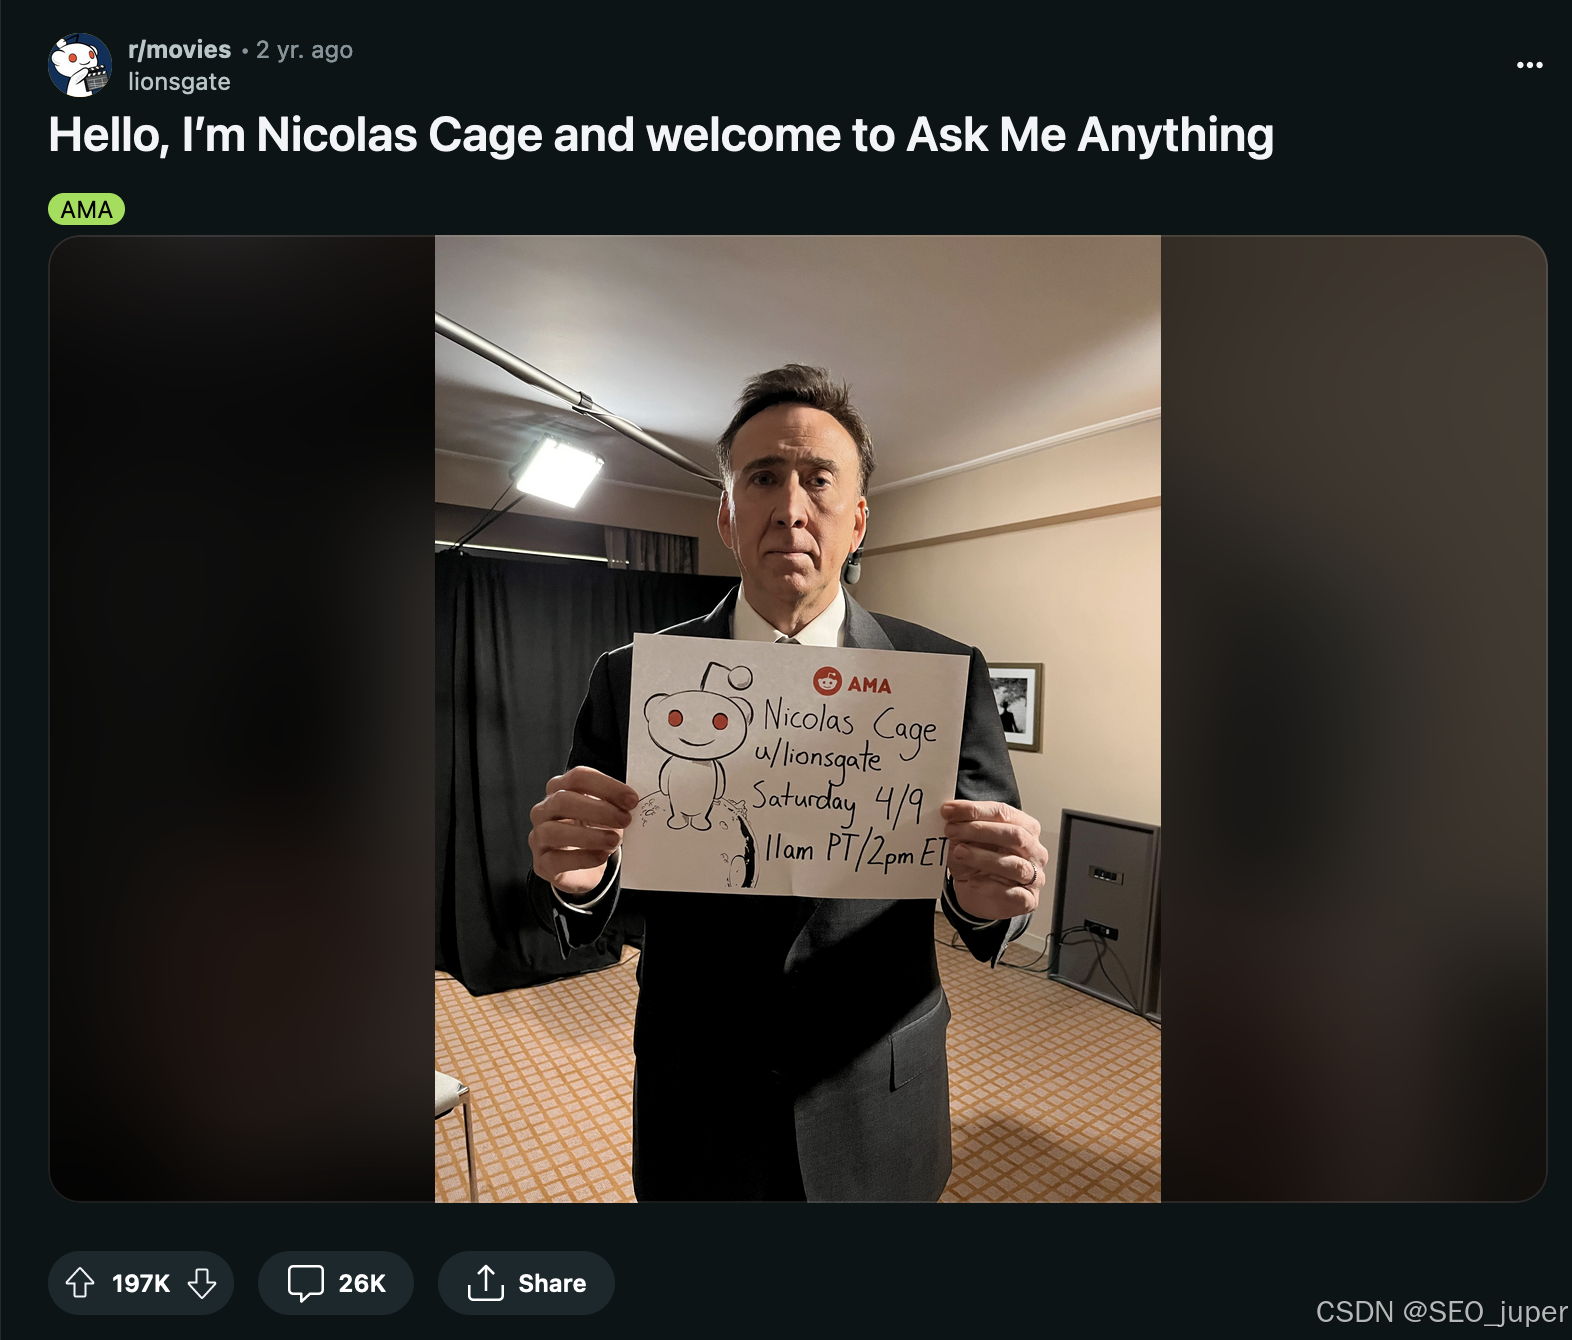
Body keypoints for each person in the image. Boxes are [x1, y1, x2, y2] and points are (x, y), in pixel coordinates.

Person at [527, 365, 1050, 1201]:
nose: (792, 508)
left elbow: (984, 884)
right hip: (698, 1094)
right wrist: (581, 882)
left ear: (859, 520)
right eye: (764, 477)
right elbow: (600, 890)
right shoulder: (631, 680)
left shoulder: (943, 672)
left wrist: (989, 899)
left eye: (819, 479)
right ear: (728, 515)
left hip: (879, 1093)